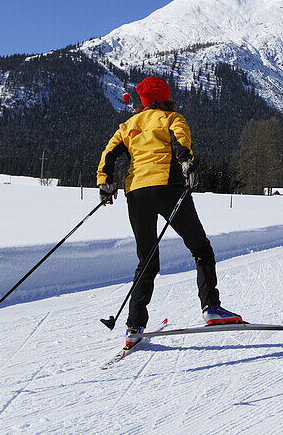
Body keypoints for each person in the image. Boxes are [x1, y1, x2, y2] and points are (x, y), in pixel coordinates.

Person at [96, 76, 242, 350]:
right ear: (166, 97)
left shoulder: (127, 126)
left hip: (136, 193)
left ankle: (134, 325)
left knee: (147, 260)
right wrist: (187, 163)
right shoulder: (172, 118)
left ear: (142, 102)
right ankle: (211, 307)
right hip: (168, 188)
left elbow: (109, 154)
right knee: (200, 247)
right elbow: (180, 142)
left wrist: (104, 182)